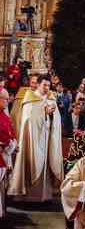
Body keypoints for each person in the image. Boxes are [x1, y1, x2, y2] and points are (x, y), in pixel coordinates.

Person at [8, 75, 64, 202]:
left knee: (46, 164)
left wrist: (52, 116)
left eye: (48, 85)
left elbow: (57, 121)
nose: (46, 88)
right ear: (38, 85)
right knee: (32, 162)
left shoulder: (51, 99)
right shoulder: (29, 100)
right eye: (44, 85)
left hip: (47, 138)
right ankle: (29, 198)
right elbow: (28, 120)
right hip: (33, 141)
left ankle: (45, 196)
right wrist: (44, 112)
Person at [0, 88, 17, 218]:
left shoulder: (4, 115)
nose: (7, 101)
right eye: (5, 99)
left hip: (6, 154)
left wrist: (14, 143)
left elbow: (10, 131)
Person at [10, 73, 39, 138]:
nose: (34, 85)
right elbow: (16, 116)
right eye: (33, 82)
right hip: (25, 128)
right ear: (29, 83)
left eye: (36, 83)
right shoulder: (22, 94)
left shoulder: (42, 95)